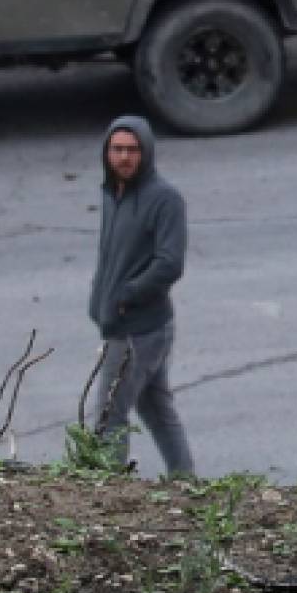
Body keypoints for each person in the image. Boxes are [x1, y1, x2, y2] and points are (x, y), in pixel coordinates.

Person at [87, 115, 195, 478]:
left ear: (146, 152)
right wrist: (99, 299)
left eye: (132, 150)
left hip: (139, 328)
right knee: (157, 409)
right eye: (117, 149)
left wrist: (126, 296)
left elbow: (170, 264)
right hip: (121, 322)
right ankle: (186, 481)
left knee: (109, 416)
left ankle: (109, 490)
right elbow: (112, 256)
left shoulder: (164, 199)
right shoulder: (113, 193)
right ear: (106, 153)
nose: (124, 157)